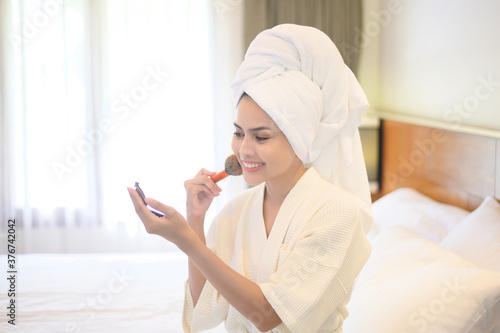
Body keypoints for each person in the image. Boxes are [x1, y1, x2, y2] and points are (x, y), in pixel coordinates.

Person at [128, 23, 372, 333]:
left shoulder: (337, 212)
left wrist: (188, 243)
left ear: (301, 138)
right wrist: (195, 221)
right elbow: (205, 312)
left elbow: (268, 315)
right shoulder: (237, 210)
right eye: (238, 133)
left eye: (261, 137)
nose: (243, 150)